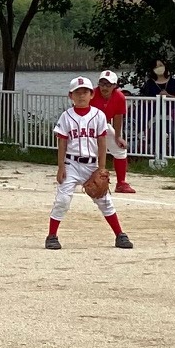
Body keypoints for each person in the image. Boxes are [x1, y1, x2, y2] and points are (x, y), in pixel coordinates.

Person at [47, 78, 132, 252]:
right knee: (62, 200)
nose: (81, 96)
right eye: (77, 92)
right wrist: (61, 167)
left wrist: (101, 168)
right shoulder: (66, 116)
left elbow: (102, 142)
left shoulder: (98, 115)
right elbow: (62, 143)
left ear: (92, 95)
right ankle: (51, 236)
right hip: (71, 163)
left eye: (85, 92)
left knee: (105, 201)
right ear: (70, 96)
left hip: (91, 165)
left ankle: (120, 235)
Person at [93, 69, 134, 193]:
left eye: (108, 85)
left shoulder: (119, 97)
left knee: (120, 149)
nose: (104, 87)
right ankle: (86, 181)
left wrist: (117, 136)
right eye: (102, 84)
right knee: (89, 153)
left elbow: (118, 117)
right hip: (88, 126)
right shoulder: (92, 94)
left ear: (115, 86)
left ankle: (121, 183)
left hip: (103, 125)